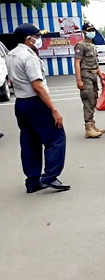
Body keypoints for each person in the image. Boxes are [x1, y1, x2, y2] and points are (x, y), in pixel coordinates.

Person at [7, 24, 70, 192]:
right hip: (36, 103)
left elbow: (12, 81)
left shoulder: (11, 55)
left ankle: (32, 181)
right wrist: (54, 110)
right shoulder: (30, 58)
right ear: (29, 39)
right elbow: (38, 86)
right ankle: (50, 177)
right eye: (37, 36)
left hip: (21, 103)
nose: (39, 40)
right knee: (56, 138)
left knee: (30, 143)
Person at [74, 22, 105, 138]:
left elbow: (96, 64)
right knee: (88, 100)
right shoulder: (80, 46)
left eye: (93, 30)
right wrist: (79, 80)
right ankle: (88, 128)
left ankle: (92, 125)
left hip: (93, 75)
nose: (92, 32)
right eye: (89, 30)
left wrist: (101, 77)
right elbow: (77, 63)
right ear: (84, 32)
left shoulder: (92, 45)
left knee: (93, 100)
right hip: (85, 75)